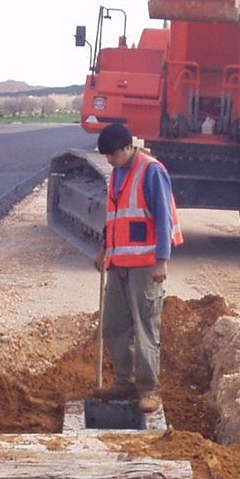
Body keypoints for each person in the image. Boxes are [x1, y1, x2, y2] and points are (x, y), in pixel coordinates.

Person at [93, 122, 183, 414]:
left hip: (145, 266)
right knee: (114, 325)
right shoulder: (117, 173)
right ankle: (124, 380)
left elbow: (163, 216)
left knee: (145, 328)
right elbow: (115, 217)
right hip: (119, 263)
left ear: (127, 148)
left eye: (112, 155)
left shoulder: (151, 170)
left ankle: (149, 390)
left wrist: (161, 261)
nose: (109, 161)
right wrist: (105, 249)